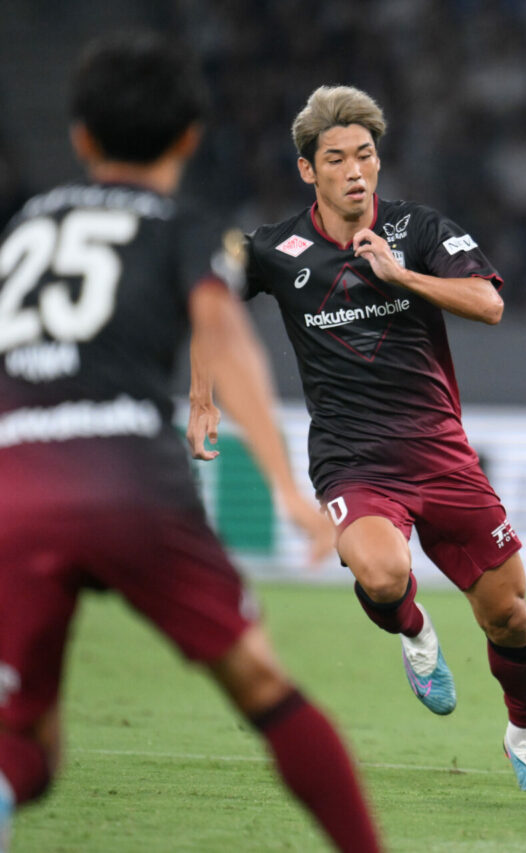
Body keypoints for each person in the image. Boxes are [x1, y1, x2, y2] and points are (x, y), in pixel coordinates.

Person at [0, 33, 381, 852]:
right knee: (261, 683)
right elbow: (227, 340)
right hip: (126, 478)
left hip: (15, 486)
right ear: (187, 138)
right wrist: (286, 486)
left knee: (28, 742)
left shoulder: (25, 225)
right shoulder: (182, 224)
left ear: (80, 138)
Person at [186, 85, 526, 793]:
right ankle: (415, 632)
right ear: (309, 171)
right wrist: (202, 396)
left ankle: (525, 733)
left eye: (365, 155)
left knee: (510, 617)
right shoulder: (277, 248)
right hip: (352, 458)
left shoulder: (418, 230)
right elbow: (208, 303)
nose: (356, 170)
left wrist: (400, 274)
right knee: (384, 574)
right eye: (337, 158)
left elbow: (489, 302)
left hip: (441, 453)